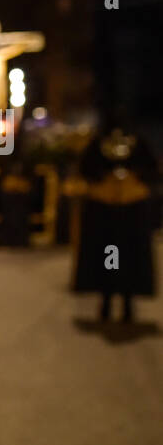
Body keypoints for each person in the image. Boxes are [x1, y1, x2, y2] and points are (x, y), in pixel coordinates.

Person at [71, 128, 158, 323]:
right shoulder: (98, 143)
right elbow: (87, 169)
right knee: (110, 256)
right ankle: (106, 298)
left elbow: (151, 171)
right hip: (106, 214)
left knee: (130, 257)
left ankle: (127, 301)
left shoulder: (138, 143)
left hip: (131, 212)